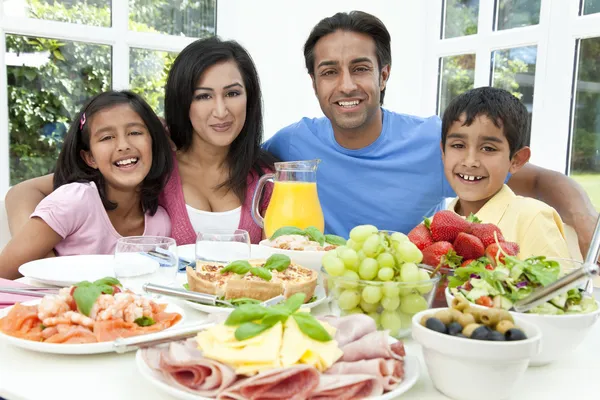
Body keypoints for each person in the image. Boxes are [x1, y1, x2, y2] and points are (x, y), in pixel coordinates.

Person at [263, 10, 598, 257]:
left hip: (404, 296)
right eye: (330, 72)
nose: (346, 85)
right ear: (314, 83)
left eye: (361, 69)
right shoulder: (293, 142)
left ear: (383, 76)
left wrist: (586, 225)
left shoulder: (434, 142)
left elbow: (539, 181)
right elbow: (228, 164)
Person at [5, 37, 277, 246]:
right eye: (203, 96)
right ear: (183, 101)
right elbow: (23, 192)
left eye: (232, 93)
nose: (221, 111)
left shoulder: (265, 178)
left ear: (249, 98)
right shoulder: (152, 161)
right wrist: (42, 256)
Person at [0, 91, 173, 279]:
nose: (123, 145)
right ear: (90, 158)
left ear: (154, 145)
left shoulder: (159, 224)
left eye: (135, 132)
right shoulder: (74, 200)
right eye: (107, 137)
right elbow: (3, 273)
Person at [439, 87, 571, 259]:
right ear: (443, 152)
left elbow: (558, 285)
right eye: (458, 145)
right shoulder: (442, 222)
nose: (470, 161)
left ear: (516, 160)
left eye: (488, 148)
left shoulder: (532, 218)